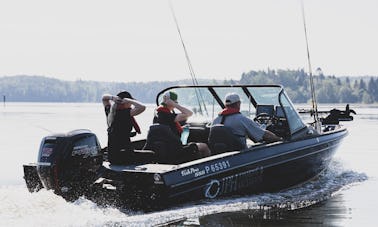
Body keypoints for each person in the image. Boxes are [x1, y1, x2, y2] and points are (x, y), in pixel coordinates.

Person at [151, 91, 211, 162]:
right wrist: (176, 105)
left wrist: (180, 128)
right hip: (175, 149)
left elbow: (168, 130)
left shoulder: (158, 114)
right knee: (204, 146)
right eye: (176, 102)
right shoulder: (167, 115)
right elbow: (189, 113)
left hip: (167, 147)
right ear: (172, 102)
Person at [211, 92, 282, 149]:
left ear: (226, 105)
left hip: (222, 152)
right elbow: (264, 135)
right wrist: (279, 139)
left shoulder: (216, 120)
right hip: (239, 152)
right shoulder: (242, 119)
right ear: (238, 104)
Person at [102, 91, 146, 164]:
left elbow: (104, 98)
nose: (131, 104)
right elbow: (142, 107)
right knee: (152, 154)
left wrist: (112, 98)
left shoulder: (111, 112)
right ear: (123, 102)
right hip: (124, 155)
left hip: (112, 155)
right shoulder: (124, 113)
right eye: (130, 102)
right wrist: (129, 100)